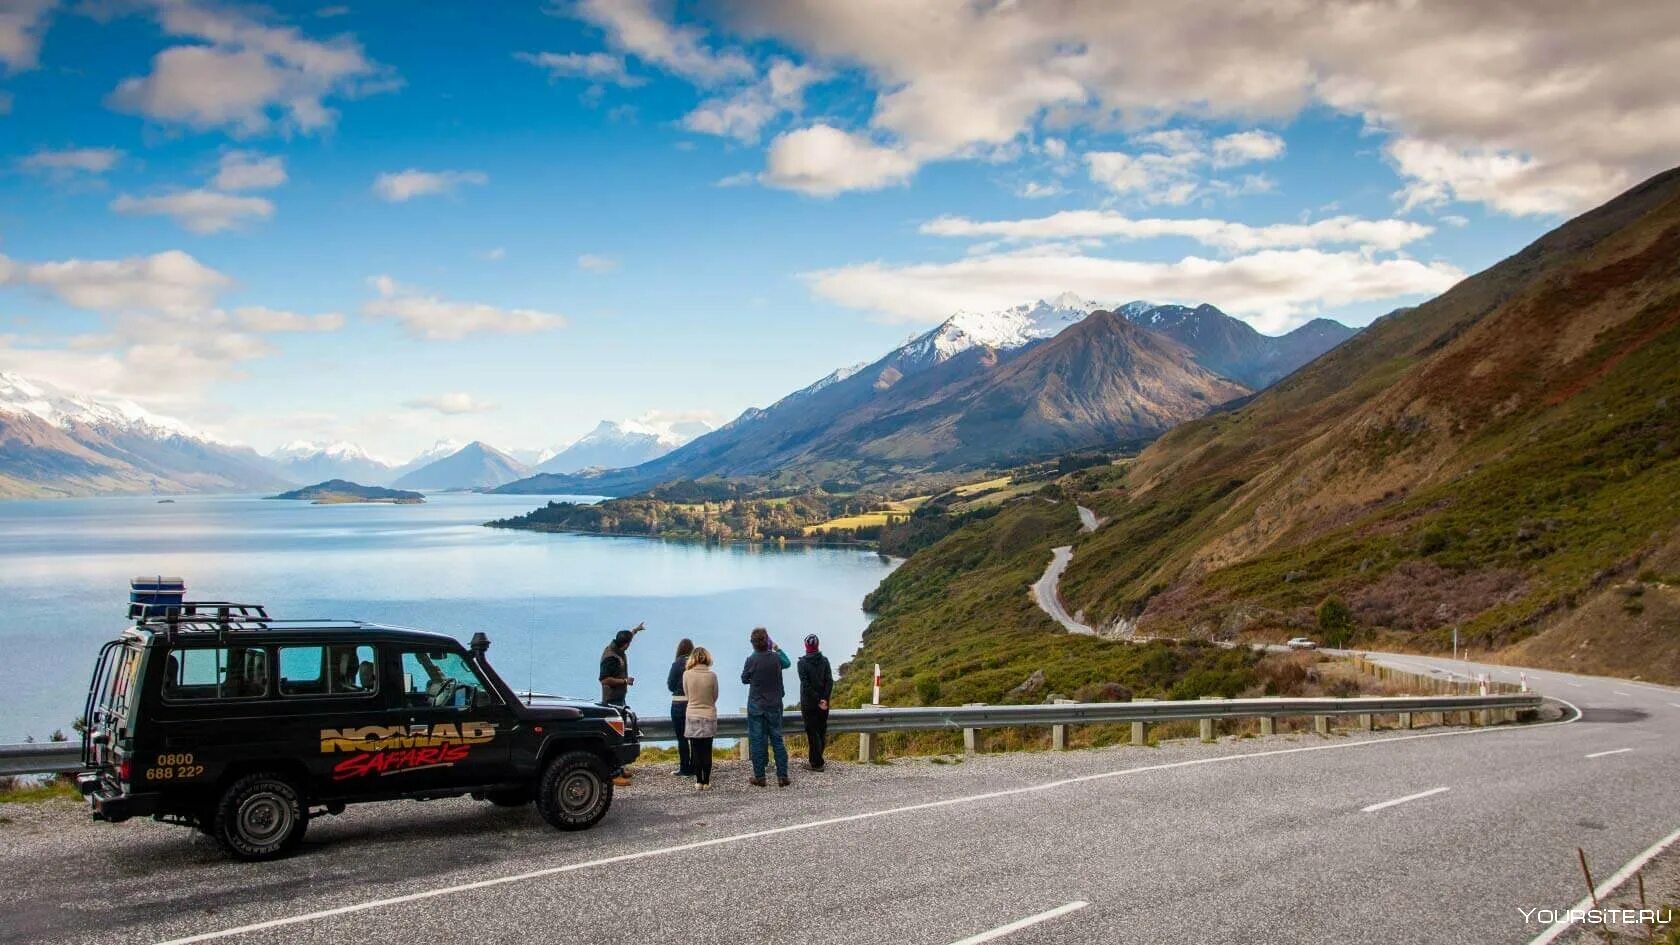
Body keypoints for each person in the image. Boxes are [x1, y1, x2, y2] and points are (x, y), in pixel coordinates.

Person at [741, 626, 792, 787]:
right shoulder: (776, 658)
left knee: (756, 740)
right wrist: (777, 647)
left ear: (753, 643)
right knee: (777, 739)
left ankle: (760, 776)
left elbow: (744, 678)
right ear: (767, 641)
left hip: (756, 705)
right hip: (774, 705)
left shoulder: (751, 660)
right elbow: (788, 662)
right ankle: (782, 775)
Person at [599, 622, 642, 786]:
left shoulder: (617, 648)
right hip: (612, 701)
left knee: (621, 734)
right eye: (628, 644)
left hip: (619, 699)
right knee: (615, 737)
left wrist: (635, 631)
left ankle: (620, 767)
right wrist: (625, 680)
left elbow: (626, 638)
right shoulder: (611, 657)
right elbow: (604, 679)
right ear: (624, 645)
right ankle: (613, 773)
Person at [682, 646, 719, 790]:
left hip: (692, 714)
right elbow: (715, 696)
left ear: (693, 658)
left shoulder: (686, 674)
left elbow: (687, 695)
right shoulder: (712, 675)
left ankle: (698, 781)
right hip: (709, 714)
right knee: (707, 749)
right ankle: (707, 781)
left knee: (695, 749)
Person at [797, 634, 833, 771]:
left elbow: (806, 685)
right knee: (821, 731)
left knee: (812, 733)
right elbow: (829, 681)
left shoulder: (802, 663)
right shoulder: (825, 661)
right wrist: (824, 699)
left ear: (806, 646)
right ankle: (817, 760)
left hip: (809, 705)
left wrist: (817, 700)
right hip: (824, 704)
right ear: (817, 645)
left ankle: (817, 763)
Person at [667, 638, 695, 777]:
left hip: (678, 703)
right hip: (695, 703)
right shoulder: (697, 663)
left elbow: (670, 685)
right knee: (695, 737)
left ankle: (685, 768)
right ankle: (696, 766)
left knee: (682, 738)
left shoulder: (677, 663)